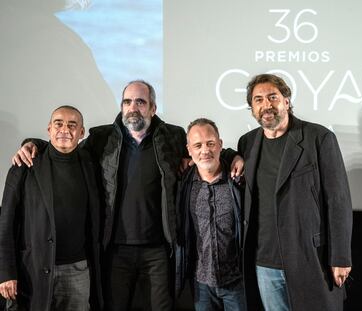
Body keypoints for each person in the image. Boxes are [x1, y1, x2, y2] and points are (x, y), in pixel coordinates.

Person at [12, 80, 242, 311]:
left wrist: (233, 156)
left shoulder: (172, 136)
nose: (133, 107)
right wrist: (33, 145)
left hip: (158, 250)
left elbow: (206, 150)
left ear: (153, 108)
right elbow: (64, 147)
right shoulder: (102, 138)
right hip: (115, 250)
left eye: (140, 102)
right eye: (127, 101)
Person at [238, 74, 353, 311]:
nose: (266, 105)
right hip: (265, 263)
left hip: (310, 258)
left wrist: (340, 257)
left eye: (273, 97)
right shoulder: (247, 143)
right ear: (252, 109)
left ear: (286, 101)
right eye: (258, 100)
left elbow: (338, 200)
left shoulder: (318, 138)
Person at [0, 106, 103, 310]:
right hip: (33, 269)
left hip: (78, 271)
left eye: (72, 125)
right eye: (58, 123)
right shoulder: (25, 165)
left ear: (81, 133)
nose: (64, 129)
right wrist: (6, 272)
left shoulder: (91, 165)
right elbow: (6, 223)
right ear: (49, 129)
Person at [176, 118, 247, 311]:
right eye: (198, 145)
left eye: (210, 144)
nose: (205, 150)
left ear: (220, 145)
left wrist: (236, 157)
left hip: (237, 282)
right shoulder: (183, 184)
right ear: (189, 150)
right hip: (201, 285)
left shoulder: (239, 181)